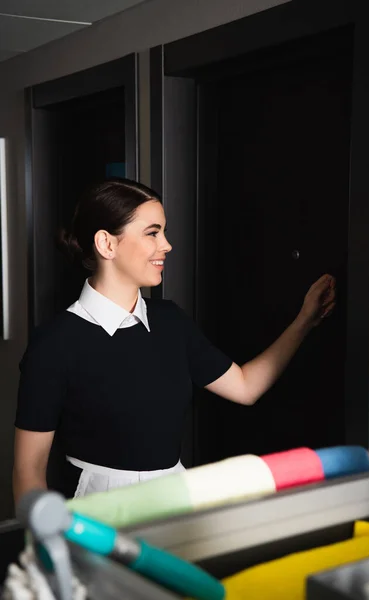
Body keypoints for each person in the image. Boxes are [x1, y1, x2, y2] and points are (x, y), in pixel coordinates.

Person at [13, 178, 336, 504]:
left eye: (164, 232)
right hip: (97, 513)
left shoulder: (170, 321)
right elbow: (29, 471)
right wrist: (47, 539)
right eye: (153, 233)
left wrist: (303, 322)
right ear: (106, 244)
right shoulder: (54, 344)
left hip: (177, 501)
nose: (166, 245)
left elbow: (246, 387)